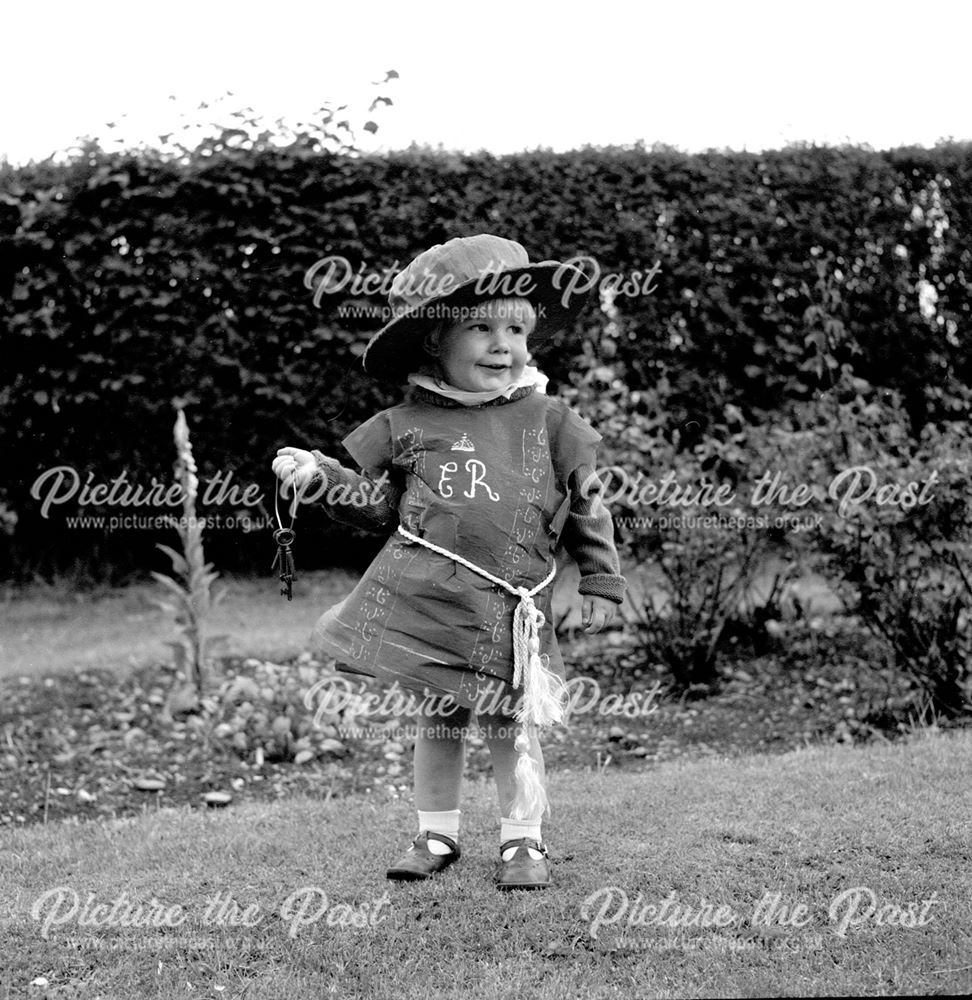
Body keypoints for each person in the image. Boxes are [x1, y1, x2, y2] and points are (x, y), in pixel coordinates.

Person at [272, 234, 626, 890]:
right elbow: (376, 505)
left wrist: (600, 568)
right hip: (431, 599)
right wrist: (320, 476)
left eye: (516, 329)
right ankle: (436, 832)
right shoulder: (409, 423)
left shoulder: (549, 419)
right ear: (435, 343)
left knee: (506, 722)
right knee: (438, 718)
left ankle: (523, 842)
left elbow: (586, 498)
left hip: (510, 605)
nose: (503, 344)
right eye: (481, 327)